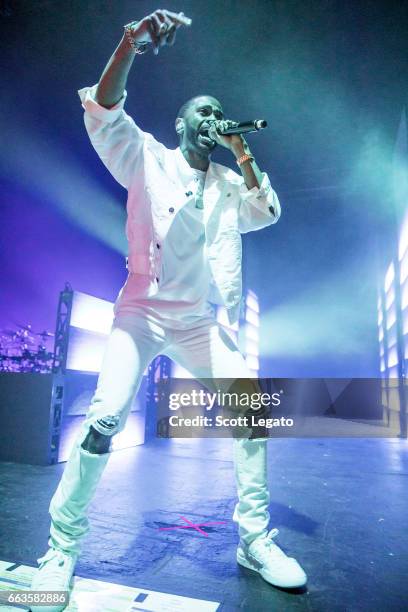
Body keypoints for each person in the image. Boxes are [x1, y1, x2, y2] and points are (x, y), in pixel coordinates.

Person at [30, 9, 307, 611]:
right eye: (202, 112)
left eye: (217, 113)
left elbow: (270, 213)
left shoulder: (231, 185)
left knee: (251, 413)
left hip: (201, 320)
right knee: (102, 424)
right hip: (141, 309)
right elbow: (103, 110)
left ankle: (254, 540)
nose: (211, 119)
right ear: (180, 123)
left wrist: (242, 151)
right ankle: (61, 549)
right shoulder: (147, 158)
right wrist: (130, 42)